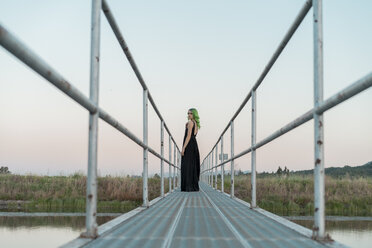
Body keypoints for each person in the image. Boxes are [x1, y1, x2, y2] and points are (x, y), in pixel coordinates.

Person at [181, 108, 201, 192]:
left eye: (191, 113)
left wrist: (183, 148)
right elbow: (193, 135)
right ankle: (193, 186)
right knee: (192, 165)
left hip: (189, 145)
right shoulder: (196, 123)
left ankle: (187, 187)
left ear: (194, 115)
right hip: (194, 145)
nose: (189, 115)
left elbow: (188, 136)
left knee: (187, 164)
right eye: (188, 113)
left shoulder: (190, 123)